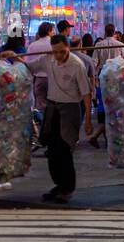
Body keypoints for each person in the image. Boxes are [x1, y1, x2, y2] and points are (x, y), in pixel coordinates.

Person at [7, 34, 92, 203]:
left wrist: (88, 119)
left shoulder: (77, 65)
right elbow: (30, 67)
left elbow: (86, 93)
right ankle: (58, 185)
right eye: (55, 52)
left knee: (64, 150)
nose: (59, 55)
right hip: (52, 109)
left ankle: (67, 188)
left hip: (70, 110)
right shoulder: (48, 59)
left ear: (68, 47)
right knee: (52, 150)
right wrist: (13, 56)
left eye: (62, 51)